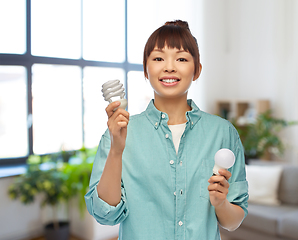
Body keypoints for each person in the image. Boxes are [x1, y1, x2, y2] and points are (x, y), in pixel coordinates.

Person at [85, 20, 248, 240]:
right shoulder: (119, 133)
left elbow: (233, 221)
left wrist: (220, 203)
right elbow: (105, 215)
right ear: (146, 69)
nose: (169, 67)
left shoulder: (223, 133)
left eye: (181, 58)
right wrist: (116, 150)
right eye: (158, 58)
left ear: (197, 70)